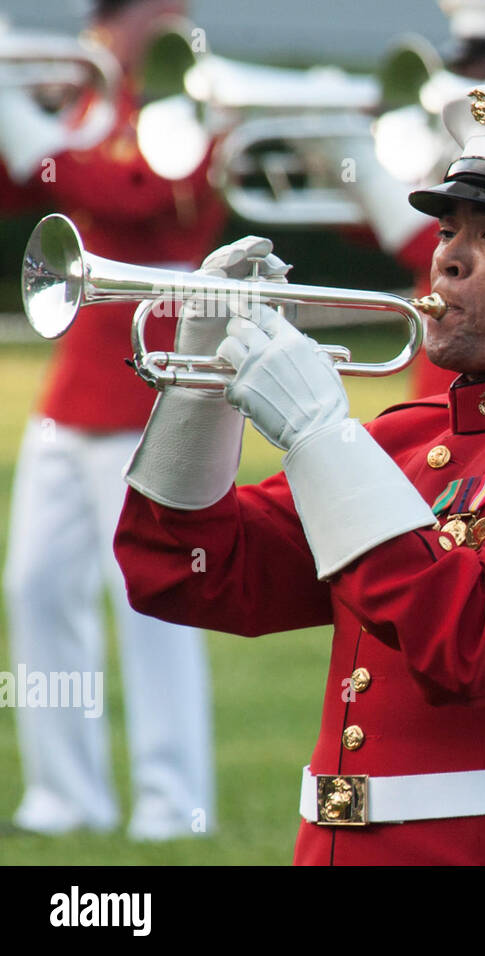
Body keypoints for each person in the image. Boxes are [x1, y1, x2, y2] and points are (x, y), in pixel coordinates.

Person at [113, 86, 485, 865]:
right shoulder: (406, 442)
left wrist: (321, 438)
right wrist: (199, 389)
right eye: (448, 228)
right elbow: (188, 574)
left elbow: (476, 645)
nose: (447, 255)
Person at [2, 0, 224, 840]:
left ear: (167, 13)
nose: (99, 26)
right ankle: (64, 796)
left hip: (154, 373)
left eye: (117, 10)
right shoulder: (92, 103)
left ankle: (174, 805)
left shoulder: (184, 98)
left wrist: (26, 120)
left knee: (153, 603)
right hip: (78, 384)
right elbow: (25, 192)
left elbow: (140, 192)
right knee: (35, 583)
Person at [326, 0, 485, 401]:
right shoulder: (463, 133)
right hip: (446, 350)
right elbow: (369, 232)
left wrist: (355, 160)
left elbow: (426, 241)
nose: (459, 78)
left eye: (474, 63)